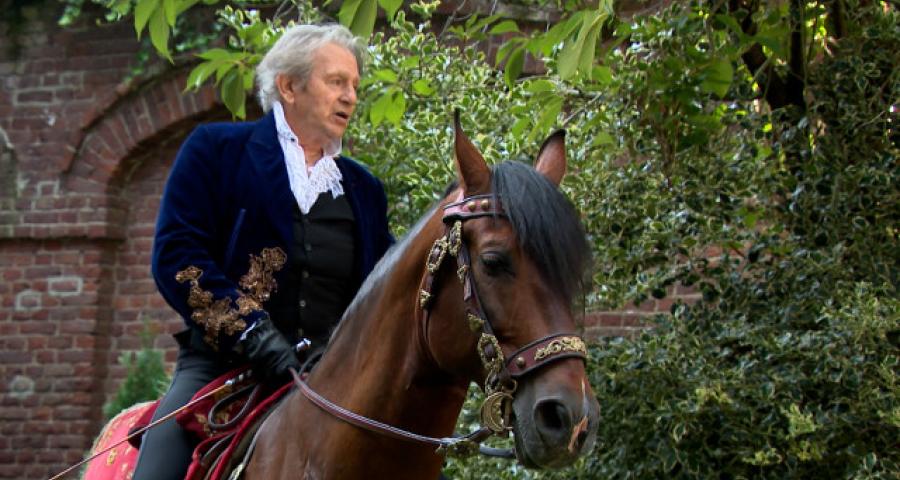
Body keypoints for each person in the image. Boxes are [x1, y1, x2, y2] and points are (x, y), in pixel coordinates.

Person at [132, 24, 394, 480]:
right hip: (223, 366)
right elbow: (178, 257)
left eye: (355, 85)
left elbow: (383, 287)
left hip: (333, 381)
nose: (351, 96)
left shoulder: (363, 189)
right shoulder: (216, 151)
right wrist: (252, 334)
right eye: (336, 82)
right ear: (289, 86)